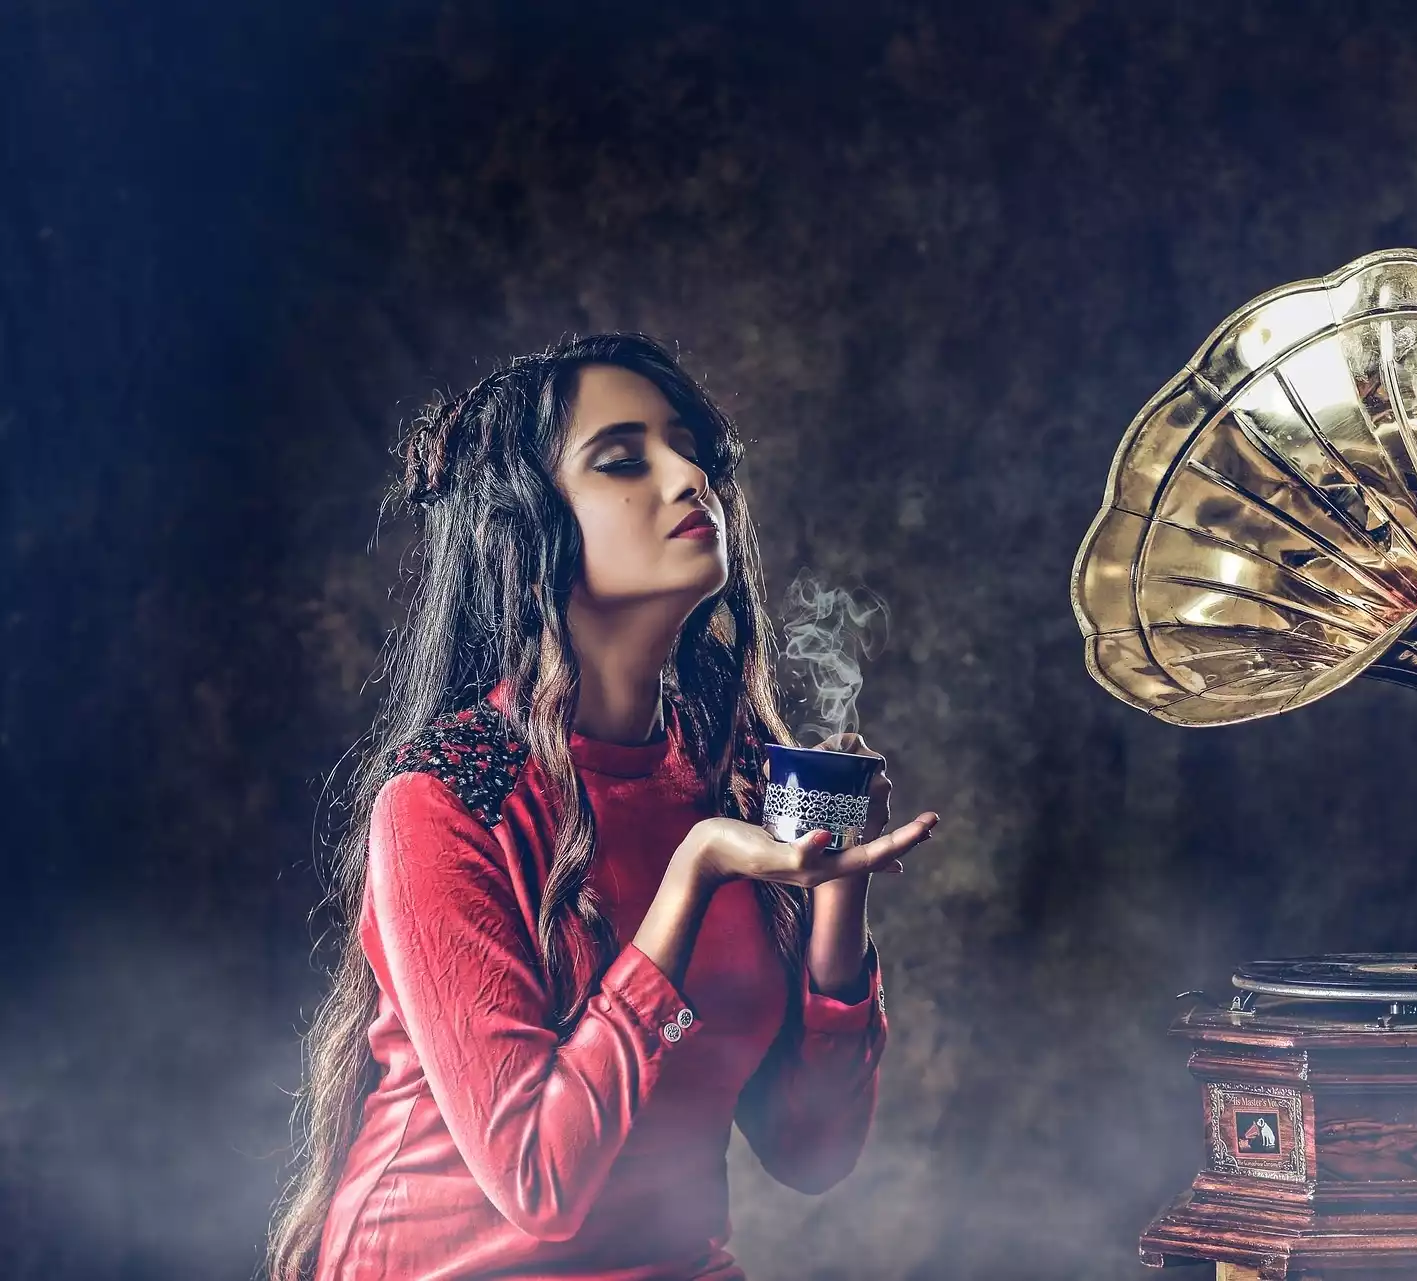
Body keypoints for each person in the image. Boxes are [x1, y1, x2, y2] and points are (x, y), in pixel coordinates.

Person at [265, 333, 939, 1281]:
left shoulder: (728, 772)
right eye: (623, 459)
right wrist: (694, 872)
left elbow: (811, 1152)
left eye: (688, 445)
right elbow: (541, 1178)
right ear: (527, 531)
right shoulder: (443, 800)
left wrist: (836, 897)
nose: (688, 475)